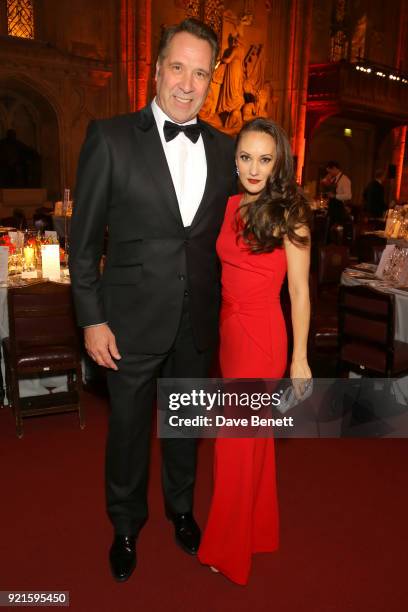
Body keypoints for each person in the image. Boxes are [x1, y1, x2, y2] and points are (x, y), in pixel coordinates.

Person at [69, 18, 236, 582]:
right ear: (156, 69)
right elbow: (84, 244)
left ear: (210, 81)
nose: (188, 84)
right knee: (130, 432)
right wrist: (92, 320)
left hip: (197, 322)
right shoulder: (110, 137)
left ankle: (182, 510)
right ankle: (125, 524)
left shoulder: (226, 149)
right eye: (177, 68)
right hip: (130, 322)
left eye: (201, 73)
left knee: (186, 427)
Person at [197, 117, 312, 585]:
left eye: (265, 159)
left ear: (279, 162)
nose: (254, 168)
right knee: (253, 441)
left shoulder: (290, 212)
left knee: (234, 445)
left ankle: (228, 549)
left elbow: (301, 292)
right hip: (230, 330)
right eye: (246, 157)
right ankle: (259, 531)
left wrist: (300, 359)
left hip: (262, 334)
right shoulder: (227, 205)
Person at [322, 160, 352, 229]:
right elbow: (323, 182)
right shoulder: (332, 179)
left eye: (329, 171)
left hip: (339, 210)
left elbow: (348, 196)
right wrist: (327, 179)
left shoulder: (345, 180)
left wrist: (335, 196)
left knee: (334, 232)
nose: (329, 173)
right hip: (332, 209)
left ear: (334, 168)